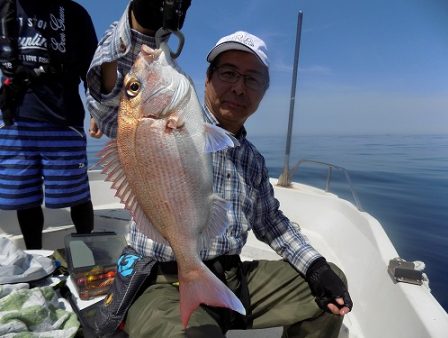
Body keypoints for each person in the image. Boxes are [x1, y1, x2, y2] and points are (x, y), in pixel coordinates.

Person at [86, 1, 353, 337]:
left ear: (262, 93)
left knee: (331, 285)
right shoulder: (157, 123)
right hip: (161, 280)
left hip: (232, 276)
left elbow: (272, 223)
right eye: (228, 74)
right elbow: (105, 98)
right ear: (208, 79)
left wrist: (314, 268)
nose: (239, 87)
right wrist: (140, 22)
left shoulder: (251, 159)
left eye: (252, 79)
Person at [0, 0, 98, 249]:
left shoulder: (76, 14)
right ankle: (35, 258)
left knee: (77, 195)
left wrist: (96, 111)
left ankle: (87, 256)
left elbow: (91, 68)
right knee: (25, 198)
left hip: (63, 121)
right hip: (15, 121)